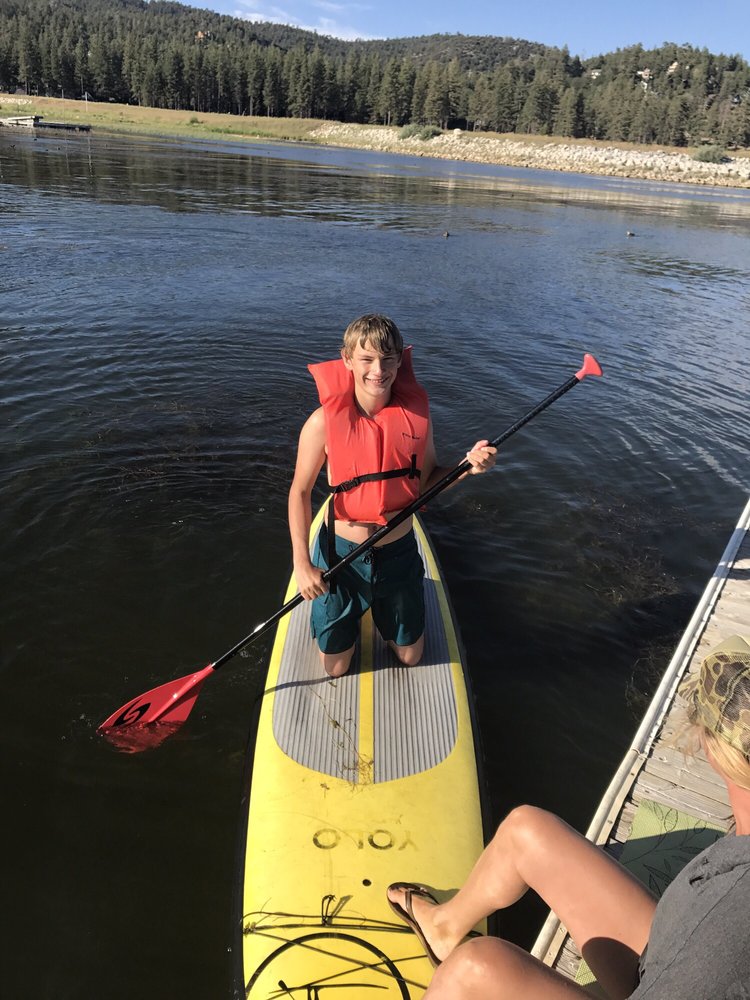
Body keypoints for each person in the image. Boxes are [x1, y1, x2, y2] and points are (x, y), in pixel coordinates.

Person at [387, 634, 750, 998]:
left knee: (472, 970)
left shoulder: (727, 906)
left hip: (678, 975)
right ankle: (443, 928)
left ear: (718, 753)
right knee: (526, 832)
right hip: (674, 951)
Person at [288, 313, 496, 678]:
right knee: (335, 668)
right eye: (366, 359)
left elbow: (427, 480)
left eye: (387, 359)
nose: (378, 370)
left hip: (397, 554)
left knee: (411, 657)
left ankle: (397, 600)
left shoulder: (417, 416)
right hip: (341, 558)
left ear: (400, 360)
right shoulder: (322, 422)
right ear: (347, 360)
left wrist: (467, 467)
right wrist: (303, 564)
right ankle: (338, 615)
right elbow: (300, 492)